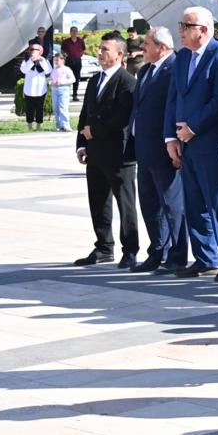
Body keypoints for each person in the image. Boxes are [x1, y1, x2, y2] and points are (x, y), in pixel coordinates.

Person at [164, 6, 218, 279]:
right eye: (181, 25)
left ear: (204, 30)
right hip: (186, 143)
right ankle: (205, 257)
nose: (181, 31)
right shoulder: (182, 57)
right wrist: (171, 136)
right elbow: (173, 98)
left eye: (186, 26)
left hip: (212, 143)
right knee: (194, 202)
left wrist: (193, 127)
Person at [75, 33, 140, 268]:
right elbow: (85, 114)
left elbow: (121, 119)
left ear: (119, 54)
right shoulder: (95, 80)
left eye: (105, 50)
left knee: (125, 204)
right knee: (98, 201)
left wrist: (96, 132)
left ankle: (130, 249)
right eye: (100, 49)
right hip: (95, 152)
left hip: (119, 154)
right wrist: (82, 143)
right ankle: (103, 246)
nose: (100, 53)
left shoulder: (127, 82)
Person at [131, 27, 186, 274]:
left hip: (165, 150)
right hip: (144, 149)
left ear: (161, 47)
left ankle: (177, 255)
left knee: (172, 206)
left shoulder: (175, 68)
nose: (142, 48)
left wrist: (176, 144)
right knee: (150, 204)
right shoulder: (145, 70)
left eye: (146, 44)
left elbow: (177, 108)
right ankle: (157, 250)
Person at [21, 43, 51, 129]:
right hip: (29, 89)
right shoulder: (26, 61)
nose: (34, 51)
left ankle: (39, 124)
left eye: (36, 50)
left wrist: (41, 61)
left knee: (39, 108)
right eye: (32, 50)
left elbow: (48, 70)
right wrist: (31, 61)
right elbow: (24, 70)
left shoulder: (44, 60)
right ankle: (29, 124)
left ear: (40, 52)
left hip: (40, 89)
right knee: (29, 108)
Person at [48, 52, 76, 131]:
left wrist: (62, 82)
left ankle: (66, 125)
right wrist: (51, 82)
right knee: (56, 108)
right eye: (55, 60)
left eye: (58, 60)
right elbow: (49, 79)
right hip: (54, 89)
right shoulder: (53, 70)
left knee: (63, 107)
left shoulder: (66, 69)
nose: (56, 62)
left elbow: (73, 79)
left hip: (63, 89)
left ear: (62, 60)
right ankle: (59, 125)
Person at [61, 31, 87, 101]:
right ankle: (65, 94)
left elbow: (83, 49)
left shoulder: (80, 41)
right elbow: (62, 50)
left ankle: (75, 95)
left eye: (75, 31)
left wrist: (80, 55)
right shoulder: (66, 41)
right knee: (66, 78)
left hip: (77, 61)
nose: (74, 32)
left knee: (76, 78)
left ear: (77, 32)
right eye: (72, 31)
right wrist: (65, 55)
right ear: (70, 32)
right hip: (68, 61)